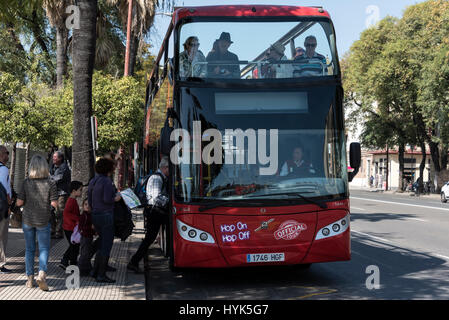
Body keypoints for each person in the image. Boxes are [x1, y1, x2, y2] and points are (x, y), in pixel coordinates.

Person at [17, 155, 58, 291]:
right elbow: (54, 204)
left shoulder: (26, 182)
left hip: (28, 219)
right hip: (43, 220)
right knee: (44, 248)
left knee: (29, 249)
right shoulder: (50, 183)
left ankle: (29, 279)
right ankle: (41, 274)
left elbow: (19, 202)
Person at [127, 157, 169, 273]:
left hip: (154, 211)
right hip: (155, 211)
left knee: (150, 238)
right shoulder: (157, 178)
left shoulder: (160, 177)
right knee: (149, 238)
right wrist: (169, 200)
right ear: (165, 168)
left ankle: (134, 261)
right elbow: (155, 198)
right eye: (170, 169)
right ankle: (134, 262)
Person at [88, 157, 121, 283]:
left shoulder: (93, 181)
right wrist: (116, 198)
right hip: (106, 214)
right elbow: (108, 199)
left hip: (95, 215)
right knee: (106, 245)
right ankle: (101, 274)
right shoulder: (106, 181)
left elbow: (90, 200)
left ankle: (95, 270)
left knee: (101, 241)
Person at [59, 181, 83, 270]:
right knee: (74, 246)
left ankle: (66, 261)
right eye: (80, 190)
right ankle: (69, 262)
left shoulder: (72, 200)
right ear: (74, 191)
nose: (81, 192)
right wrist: (78, 219)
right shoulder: (71, 201)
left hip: (70, 227)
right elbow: (66, 213)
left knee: (74, 246)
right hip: (69, 228)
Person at [49, 151, 71, 239]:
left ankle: (59, 232)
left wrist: (49, 178)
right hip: (53, 193)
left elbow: (58, 178)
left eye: (55, 157)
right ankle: (52, 229)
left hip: (62, 193)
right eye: (53, 157)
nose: (53, 159)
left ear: (60, 158)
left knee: (59, 213)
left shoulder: (64, 167)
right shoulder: (52, 167)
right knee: (51, 211)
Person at [78, 198, 99, 276]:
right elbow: (81, 228)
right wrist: (91, 227)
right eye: (85, 204)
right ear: (83, 206)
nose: (87, 206)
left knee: (87, 253)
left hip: (89, 237)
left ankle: (86, 268)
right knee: (84, 254)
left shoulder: (90, 215)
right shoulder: (83, 216)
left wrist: (94, 232)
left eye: (89, 204)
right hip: (85, 237)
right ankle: (81, 269)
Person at [0, 145, 12, 274]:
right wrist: (9, 206)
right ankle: (1, 264)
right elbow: (4, 190)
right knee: (2, 236)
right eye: (5, 153)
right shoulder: (3, 169)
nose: (7, 156)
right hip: (2, 208)